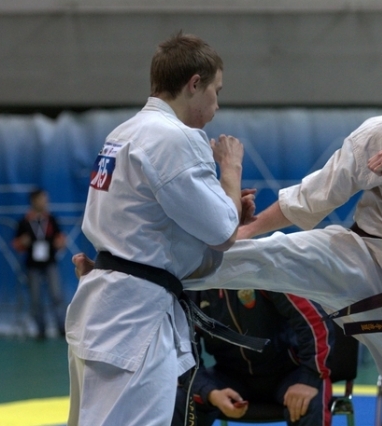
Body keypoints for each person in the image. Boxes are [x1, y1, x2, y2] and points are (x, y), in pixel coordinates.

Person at [73, 48, 382, 425]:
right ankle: (123, 269)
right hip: (360, 256)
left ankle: (127, 270)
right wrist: (245, 229)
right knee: (264, 253)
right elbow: (313, 196)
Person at [65, 31, 252, 426]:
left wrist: (229, 205)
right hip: (135, 318)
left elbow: (156, 219)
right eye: (216, 91)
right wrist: (231, 170)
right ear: (194, 84)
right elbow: (223, 232)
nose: (217, 104)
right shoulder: (175, 138)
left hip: (107, 306)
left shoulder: (123, 133)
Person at [171, 289, 334, 426]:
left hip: (287, 372)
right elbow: (183, 354)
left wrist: (309, 378)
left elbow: (315, 322)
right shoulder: (194, 287)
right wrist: (210, 392)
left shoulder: (269, 272)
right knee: (178, 399)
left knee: (310, 401)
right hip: (229, 376)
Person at [12, 188, 67, 340]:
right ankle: (40, 328)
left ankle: (61, 327)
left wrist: (61, 242)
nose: (45, 202)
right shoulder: (24, 222)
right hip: (32, 265)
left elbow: (60, 237)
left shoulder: (51, 219)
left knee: (56, 295)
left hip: (50, 263)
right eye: (42, 199)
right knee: (36, 298)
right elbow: (16, 244)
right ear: (34, 201)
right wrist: (22, 243)